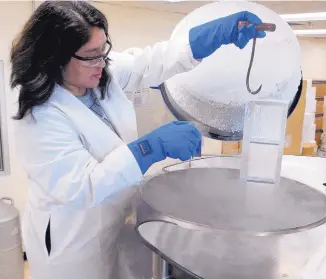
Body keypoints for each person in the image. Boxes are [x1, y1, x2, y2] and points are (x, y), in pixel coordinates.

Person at [10, 1, 265, 279]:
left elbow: (148, 63)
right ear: (55, 57)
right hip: (72, 241)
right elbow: (83, 186)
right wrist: (150, 148)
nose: (101, 63)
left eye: (103, 49)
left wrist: (207, 39)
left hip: (116, 224)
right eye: (91, 55)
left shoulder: (98, 74)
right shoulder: (39, 115)